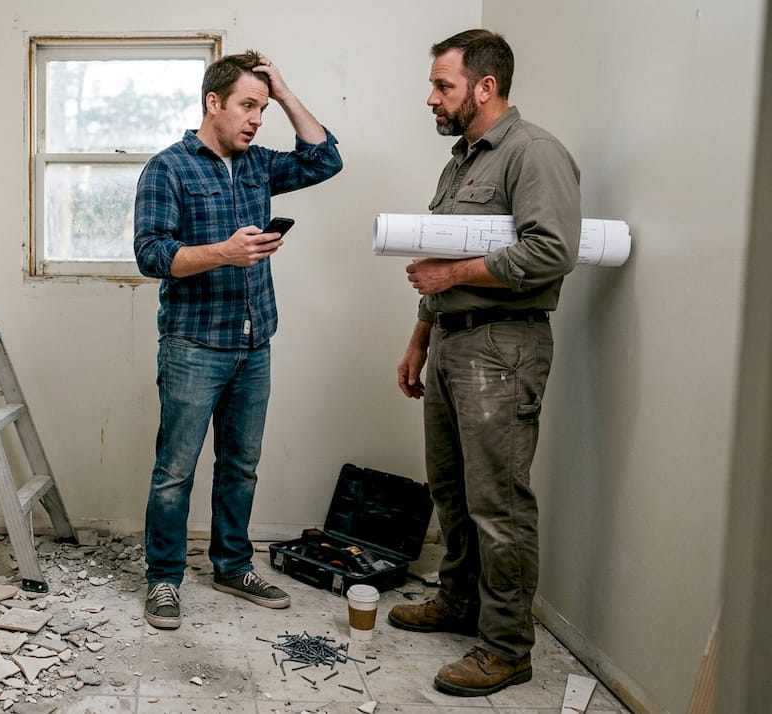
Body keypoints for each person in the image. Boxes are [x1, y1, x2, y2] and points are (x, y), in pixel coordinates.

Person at [388, 29, 581, 696]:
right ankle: (458, 600)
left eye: (443, 86)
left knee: (498, 503)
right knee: (452, 489)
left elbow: (551, 251)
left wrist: (457, 275)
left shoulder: (534, 154)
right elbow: (436, 265)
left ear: (485, 86)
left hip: (506, 346)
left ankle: (505, 647)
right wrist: (419, 340)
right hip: (451, 343)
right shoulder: (461, 162)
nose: (431, 98)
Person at [133, 50, 343, 630]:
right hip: (193, 345)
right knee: (175, 471)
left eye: (263, 108)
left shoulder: (258, 165)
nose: (256, 119)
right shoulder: (168, 168)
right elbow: (150, 254)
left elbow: (325, 158)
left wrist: (283, 88)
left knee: (241, 465)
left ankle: (231, 565)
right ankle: (164, 579)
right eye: (247, 106)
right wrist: (225, 252)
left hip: (255, 343)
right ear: (212, 103)